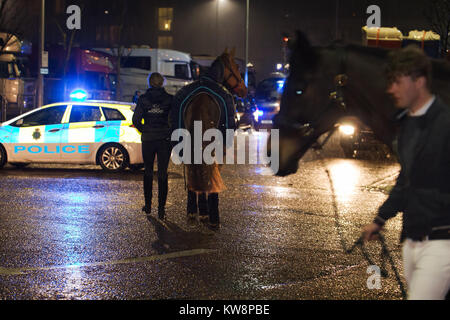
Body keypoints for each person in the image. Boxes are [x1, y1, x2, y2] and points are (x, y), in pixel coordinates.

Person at [362, 46, 450, 300]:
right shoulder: (408, 124)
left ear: (419, 81)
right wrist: (380, 219)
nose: (391, 90)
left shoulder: (445, 124)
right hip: (411, 241)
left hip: (442, 242)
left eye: (397, 82)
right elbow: (406, 179)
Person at [132, 73, 173, 220]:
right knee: (163, 173)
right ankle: (161, 209)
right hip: (164, 140)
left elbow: (135, 119)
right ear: (162, 83)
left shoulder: (143, 99)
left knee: (148, 172)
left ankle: (148, 205)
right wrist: (168, 132)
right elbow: (174, 120)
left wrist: (145, 130)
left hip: (148, 139)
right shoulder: (169, 99)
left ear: (149, 83)